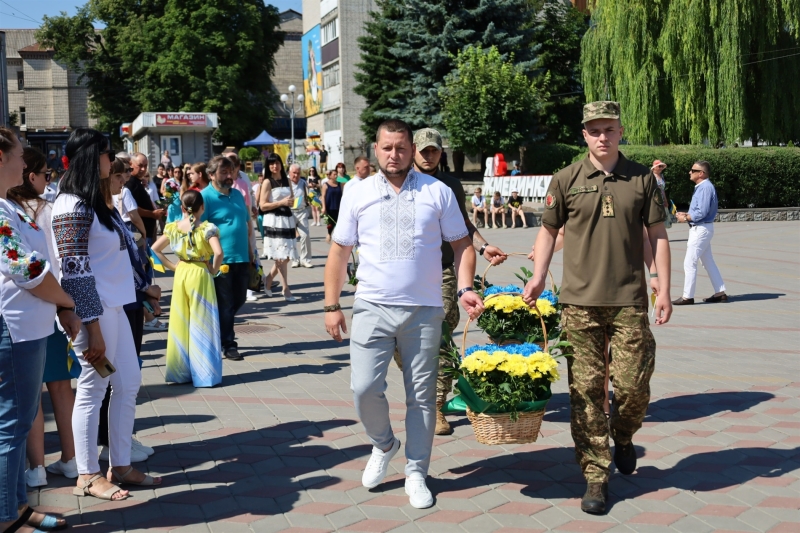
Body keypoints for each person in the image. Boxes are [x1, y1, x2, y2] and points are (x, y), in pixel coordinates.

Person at [324, 119, 484, 509]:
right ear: (375, 150)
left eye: (401, 147)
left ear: (412, 150)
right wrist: (332, 305)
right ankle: (384, 444)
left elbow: (463, 245)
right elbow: (339, 251)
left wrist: (464, 287)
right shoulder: (356, 193)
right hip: (371, 306)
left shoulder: (437, 191)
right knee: (363, 388)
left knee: (422, 398)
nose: (394, 154)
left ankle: (416, 472)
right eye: (386, 147)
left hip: (425, 310)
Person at [523, 101, 672, 515]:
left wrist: (663, 287)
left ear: (620, 131)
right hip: (579, 304)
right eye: (594, 130)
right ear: (584, 135)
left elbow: (656, 234)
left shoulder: (642, 178)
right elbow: (548, 231)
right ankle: (595, 475)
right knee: (585, 392)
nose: (602, 136)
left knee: (633, 388)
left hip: (628, 300)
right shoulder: (566, 179)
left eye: (609, 129)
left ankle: (623, 435)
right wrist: (538, 275)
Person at [52, 128, 162, 503]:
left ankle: (121, 464)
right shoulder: (71, 205)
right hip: (93, 317)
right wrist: (93, 329)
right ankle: (86, 474)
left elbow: (116, 255)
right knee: (93, 389)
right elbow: (75, 271)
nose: (111, 160)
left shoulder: (96, 202)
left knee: (128, 383)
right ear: (89, 157)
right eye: (106, 154)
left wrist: (142, 290)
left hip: (115, 309)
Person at [0, 127, 82, 533]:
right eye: (18, 155)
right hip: (11, 331)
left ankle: (16, 506)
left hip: (25, 330)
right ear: (1, 159)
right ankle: (6, 516)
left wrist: (60, 304)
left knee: (16, 422)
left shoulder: (8, 208)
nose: (25, 161)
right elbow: (25, 268)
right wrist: (66, 302)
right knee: (11, 425)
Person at [410, 127, 507, 435]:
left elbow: (462, 224)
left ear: (441, 153)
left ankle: (436, 406)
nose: (429, 156)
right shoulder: (399, 181)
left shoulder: (450, 185)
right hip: (404, 275)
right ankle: (420, 391)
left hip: (443, 271)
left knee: (440, 335)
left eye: (434, 151)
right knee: (404, 342)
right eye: (423, 151)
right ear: (413, 150)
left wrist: (481, 244)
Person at [152, 191, 223, 387]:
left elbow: (155, 249)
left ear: (182, 208)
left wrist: (173, 266)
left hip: (181, 272)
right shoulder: (207, 228)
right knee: (203, 322)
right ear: (202, 208)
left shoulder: (173, 228)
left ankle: (179, 372)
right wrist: (214, 270)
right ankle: (205, 374)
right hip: (200, 272)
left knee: (180, 321)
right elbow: (218, 252)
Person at [200, 156, 254, 362]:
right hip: (220, 260)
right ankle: (228, 344)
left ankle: (218, 334)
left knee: (238, 299)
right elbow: (199, 228)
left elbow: (247, 224)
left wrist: (251, 252)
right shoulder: (205, 197)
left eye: (230, 172)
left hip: (241, 256)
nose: (229, 176)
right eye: (224, 172)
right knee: (226, 303)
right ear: (211, 175)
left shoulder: (238, 195)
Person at [673, 161, 727, 305]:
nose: (689, 172)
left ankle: (687, 296)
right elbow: (699, 210)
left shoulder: (704, 188)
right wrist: (687, 214)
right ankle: (720, 292)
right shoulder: (703, 187)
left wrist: (685, 217)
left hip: (700, 229)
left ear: (701, 173)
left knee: (689, 262)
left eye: (693, 170)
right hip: (703, 228)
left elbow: (701, 212)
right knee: (708, 261)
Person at [259, 154, 299, 301]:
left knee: (287, 256)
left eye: (276, 163)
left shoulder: (287, 180)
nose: (274, 166)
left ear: (281, 164)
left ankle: (268, 279)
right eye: (271, 164)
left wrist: (293, 202)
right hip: (273, 220)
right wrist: (281, 203)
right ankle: (285, 288)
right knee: (280, 256)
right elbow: (262, 205)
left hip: (287, 219)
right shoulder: (267, 182)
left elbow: (291, 199)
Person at [288, 163, 313, 269]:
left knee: (305, 235)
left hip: (302, 211)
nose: (296, 175)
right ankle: (294, 259)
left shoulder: (303, 183)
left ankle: (305, 259)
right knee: (291, 237)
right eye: (294, 173)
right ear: (289, 173)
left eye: (298, 173)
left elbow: (309, 196)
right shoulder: (286, 183)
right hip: (290, 212)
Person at [321, 169, 343, 243]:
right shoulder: (325, 185)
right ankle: (329, 234)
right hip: (329, 207)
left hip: (339, 207)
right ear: (330, 176)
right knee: (330, 223)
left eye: (336, 174)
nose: (336, 176)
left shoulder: (340, 184)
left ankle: (338, 237)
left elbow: (343, 195)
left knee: (339, 223)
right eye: (334, 174)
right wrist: (323, 207)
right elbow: (323, 196)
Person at [651, 160, 672, 228]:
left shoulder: (661, 176)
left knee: (663, 216)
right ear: (654, 167)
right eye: (659, 166)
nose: (661, 168)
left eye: (662, 166)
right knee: (657, 217)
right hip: (655, 199)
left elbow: (663, 189)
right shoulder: (651, 176)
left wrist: (665, 200)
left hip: (662, 199)